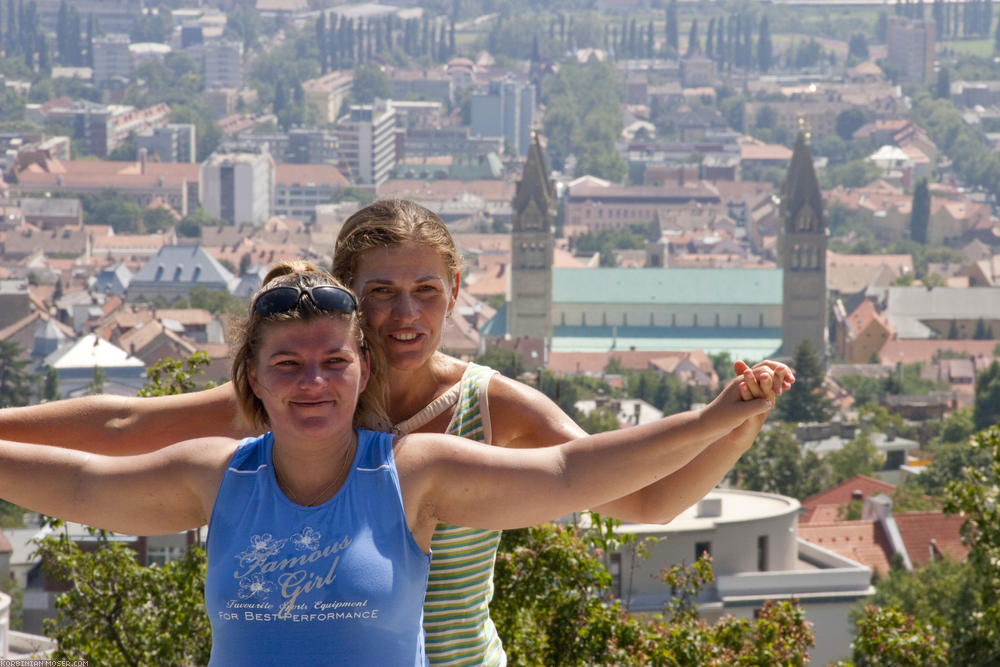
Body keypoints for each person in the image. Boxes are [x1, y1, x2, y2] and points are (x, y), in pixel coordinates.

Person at [0, 199, 793, 666]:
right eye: (379, 292)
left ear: (454, 291)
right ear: (346, 297)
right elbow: (119, 426)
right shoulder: (304, 392)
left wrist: (732, 426)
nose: (404, 314)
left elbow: (634, 497)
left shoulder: (488, 405)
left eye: (424, 289)